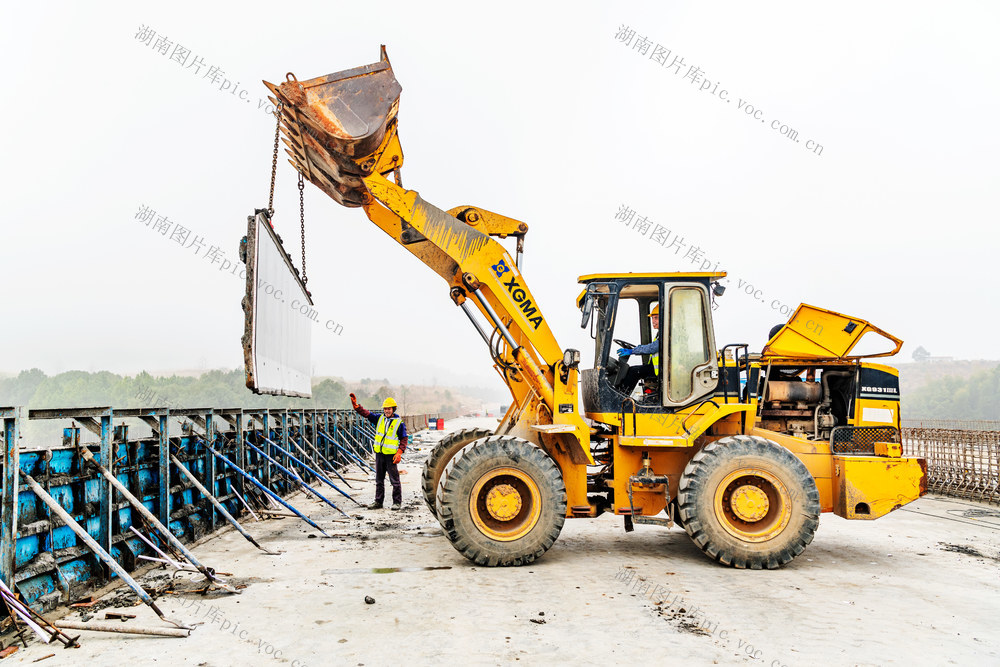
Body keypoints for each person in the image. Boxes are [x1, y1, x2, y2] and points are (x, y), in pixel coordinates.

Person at [350, 394, 407, 510]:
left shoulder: (398, 423)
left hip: (391, 455)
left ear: (393, 409)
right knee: (379, 480)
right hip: (380, 454)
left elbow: (404, 438)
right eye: (385, 409)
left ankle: (397, 502)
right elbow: (367, 414)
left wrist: (399, 452)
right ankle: (378, 502)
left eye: (389, 409)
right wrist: (357, 407)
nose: (386, 411)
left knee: (394, 480)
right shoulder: (380, 419)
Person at [617, 304, 661, 397]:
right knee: (635, 370)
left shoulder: (665, 333)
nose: (653, 321)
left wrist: (632, 351)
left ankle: (621, 397)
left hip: (662, 370)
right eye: (652, 318)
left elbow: (651, 348)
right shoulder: (661, 333)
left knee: (634, 371)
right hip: (659, 368)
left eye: (656, 318)